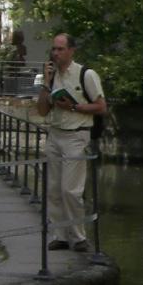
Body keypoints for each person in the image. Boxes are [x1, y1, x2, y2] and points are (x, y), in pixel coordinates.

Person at [35, 32, 107, 252]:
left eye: (60, 49)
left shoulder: (86, 74)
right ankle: (60, 235)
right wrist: (46, 85)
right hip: (55, 133)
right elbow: (41, 111)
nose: (56, 53)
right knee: (54, 188)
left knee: (70, 190)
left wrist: (74, 107)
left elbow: (101, 107)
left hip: (77, 134)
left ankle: (78, 237)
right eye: (54, 49)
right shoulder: (51, 75)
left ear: (71, 50)